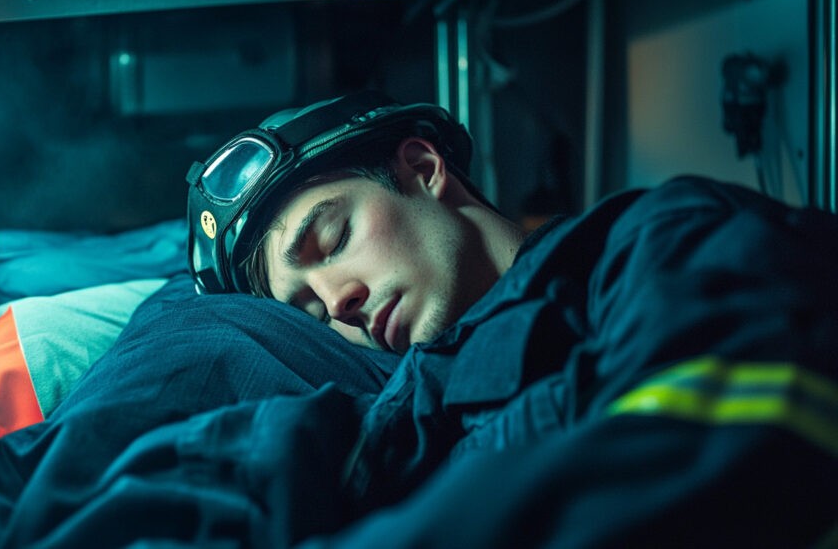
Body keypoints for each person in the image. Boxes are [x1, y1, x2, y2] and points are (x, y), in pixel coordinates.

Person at [186, 90, 838, 546]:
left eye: (331, 241)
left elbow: (736, 440)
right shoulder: (402, 413)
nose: (336, 302)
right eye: (310, 311)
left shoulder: (648, 244)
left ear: (422, 170)